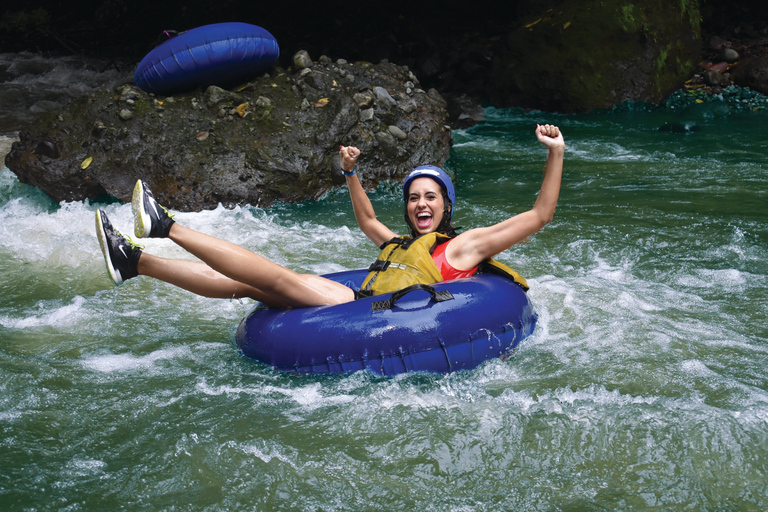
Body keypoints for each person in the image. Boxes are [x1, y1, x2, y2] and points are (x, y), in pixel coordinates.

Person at [95, 124, 564, 308]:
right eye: (414, 198)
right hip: (360, 298)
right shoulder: (400, 247)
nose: (420, 204)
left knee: (277, 278)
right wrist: (351, 173)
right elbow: (366, 222)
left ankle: (166, 226)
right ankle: (136, 262)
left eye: (430, 198)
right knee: (249, 284)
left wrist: (555, 153)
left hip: (371, 313)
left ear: (446, 206)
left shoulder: (466, 245)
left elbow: (541, 214)